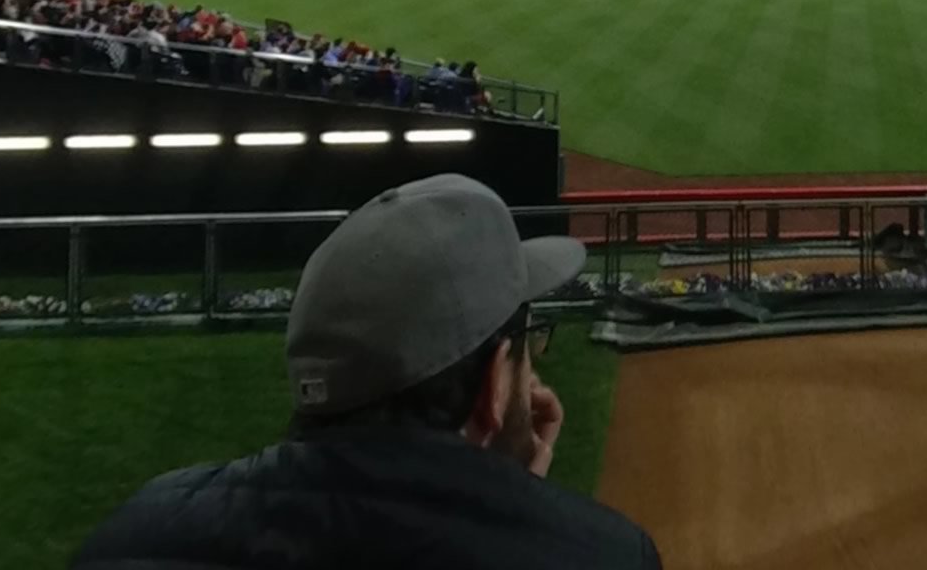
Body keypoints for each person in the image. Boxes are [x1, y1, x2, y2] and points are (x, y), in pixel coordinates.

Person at [70, 174, 660, 569]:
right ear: (496, 384)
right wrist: (523, 510)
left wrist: (506, 501)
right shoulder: (608, 556)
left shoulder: (132, 535)